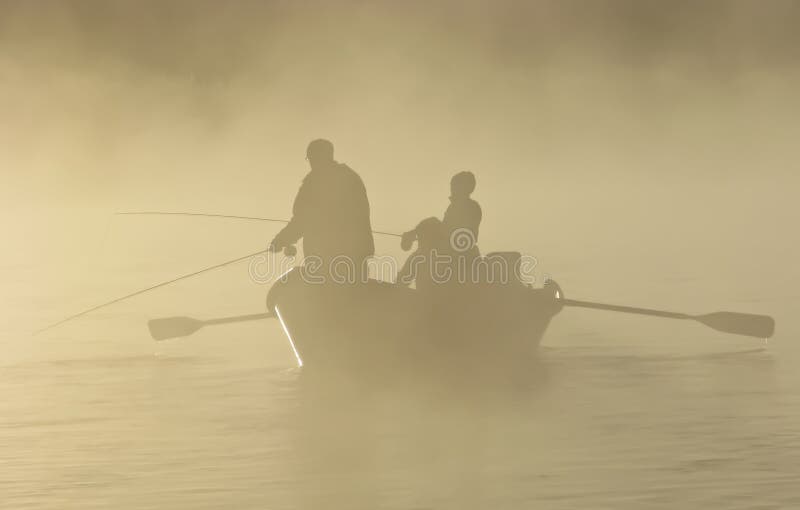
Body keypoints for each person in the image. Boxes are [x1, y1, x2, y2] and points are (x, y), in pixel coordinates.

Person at [269, 139, 375, 280]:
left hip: (324, 260)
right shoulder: (351, 177)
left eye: (311, 158)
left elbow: (301, 220)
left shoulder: (314, 183)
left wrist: (281, 240)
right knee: (354, 298)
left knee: (326, 299)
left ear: (314, 158)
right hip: (357, 257)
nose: (311, 163)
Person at [396, 217, 446, 294]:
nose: (419, 242)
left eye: (420, 238)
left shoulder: (418, 257)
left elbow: (400, 283)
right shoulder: (449, 256)